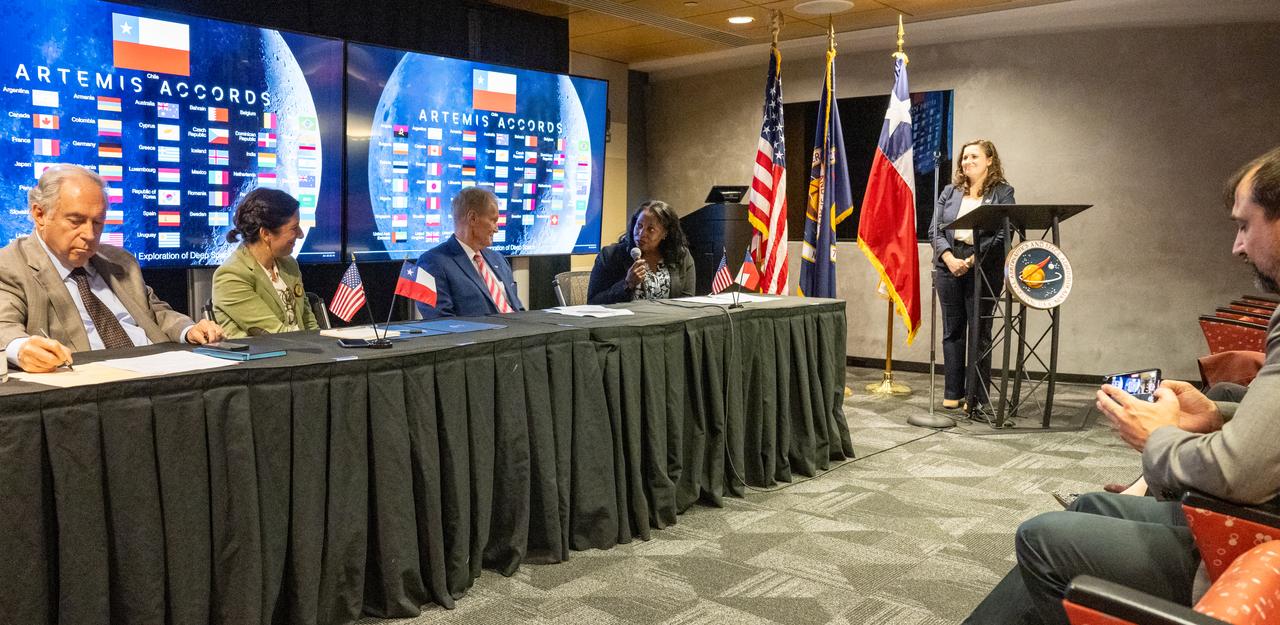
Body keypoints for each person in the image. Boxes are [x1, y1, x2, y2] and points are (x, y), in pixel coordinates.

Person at [963, 145, 1280, 625]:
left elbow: (1237, 472)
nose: (1237, 246)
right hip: (1255, 522)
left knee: (1041, 538)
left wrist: (1158, 437)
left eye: (1244, 225)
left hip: (1250, 547)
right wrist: (1218, 415)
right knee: (1090, 505)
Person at [0, 164, 224, 373]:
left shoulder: (120, 260)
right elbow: (4, 325)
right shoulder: (10, 265)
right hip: (92, 384)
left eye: (97, 222)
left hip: (161, 372)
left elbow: (155, 312)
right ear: (40, 214)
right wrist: (20, 348)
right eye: (76, 221)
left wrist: (188, 330)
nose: (89, 235)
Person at [928, 139, 1016, 410]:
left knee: (980, 331)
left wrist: (972, 260)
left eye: (974, 157)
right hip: (949, 264)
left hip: (984, 265)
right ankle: (953, 392)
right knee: (952, 331)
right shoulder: (950, 191)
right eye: (964, 157)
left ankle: (976, 395)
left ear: (990, 160)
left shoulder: (1002, 192)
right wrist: (949, 258)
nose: (967, 162)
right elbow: (934, 230)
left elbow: (1005, 232)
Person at [212, 188, 318, 337]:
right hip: (268, 351)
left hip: (302, 348)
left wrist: (324, 344)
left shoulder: (289, 265)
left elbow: (309, 323)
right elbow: (274, 335)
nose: (301, 234)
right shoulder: (231, 276)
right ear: (266, 233)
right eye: (294, 228)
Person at [415, 186, 523, 318]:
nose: (496, 229)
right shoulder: (430, 263)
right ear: (472, 218)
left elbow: (518, 308)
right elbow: (441, 322)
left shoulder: (498, 259)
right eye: (493, 221)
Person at [587, 200, 695, 304]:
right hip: (626, 317)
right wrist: (627, 284)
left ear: (665, 233)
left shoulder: (681, 256)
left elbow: (688, 301)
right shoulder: (610, 255)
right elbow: (593, 302)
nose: (641, 234)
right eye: (639, 226)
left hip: (671, 316)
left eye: (651, 229)